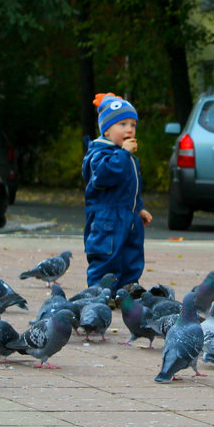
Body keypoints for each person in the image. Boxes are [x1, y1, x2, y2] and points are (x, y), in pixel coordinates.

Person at [82, 92, 152, 288]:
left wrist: (139, 207)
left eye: (133, 125)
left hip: (128, 216)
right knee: (107, 256)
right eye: (122, 124)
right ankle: (100, 291)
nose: (129, 129)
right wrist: (123, 154)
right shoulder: (98, 154)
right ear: (106, 130)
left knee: (131, 255)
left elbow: (132, 187)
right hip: (107, 218)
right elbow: (104, 175)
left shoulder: (127, 157)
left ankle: (127, 288)